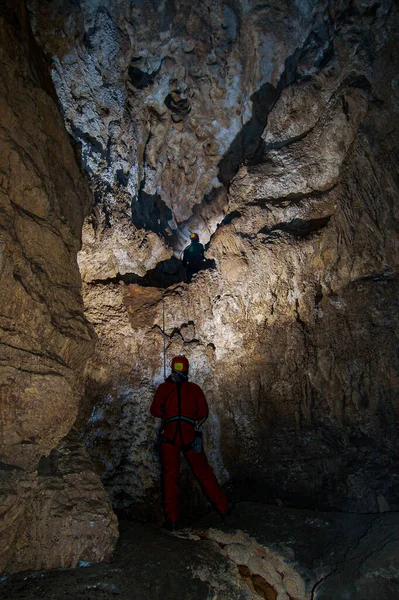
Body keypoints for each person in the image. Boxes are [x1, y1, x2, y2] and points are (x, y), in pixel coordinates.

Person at [151, 354, 230, 530]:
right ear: (187, 370)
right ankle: (224, 509)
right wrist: (187, 416)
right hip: (189, 434)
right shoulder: (194, 388)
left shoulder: (164, 388)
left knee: (170, 475)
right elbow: (203, 412)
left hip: (169, 435)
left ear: (172, 369)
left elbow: (155, 411)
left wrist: (168, 412)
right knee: (203, 472)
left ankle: (171, 520)